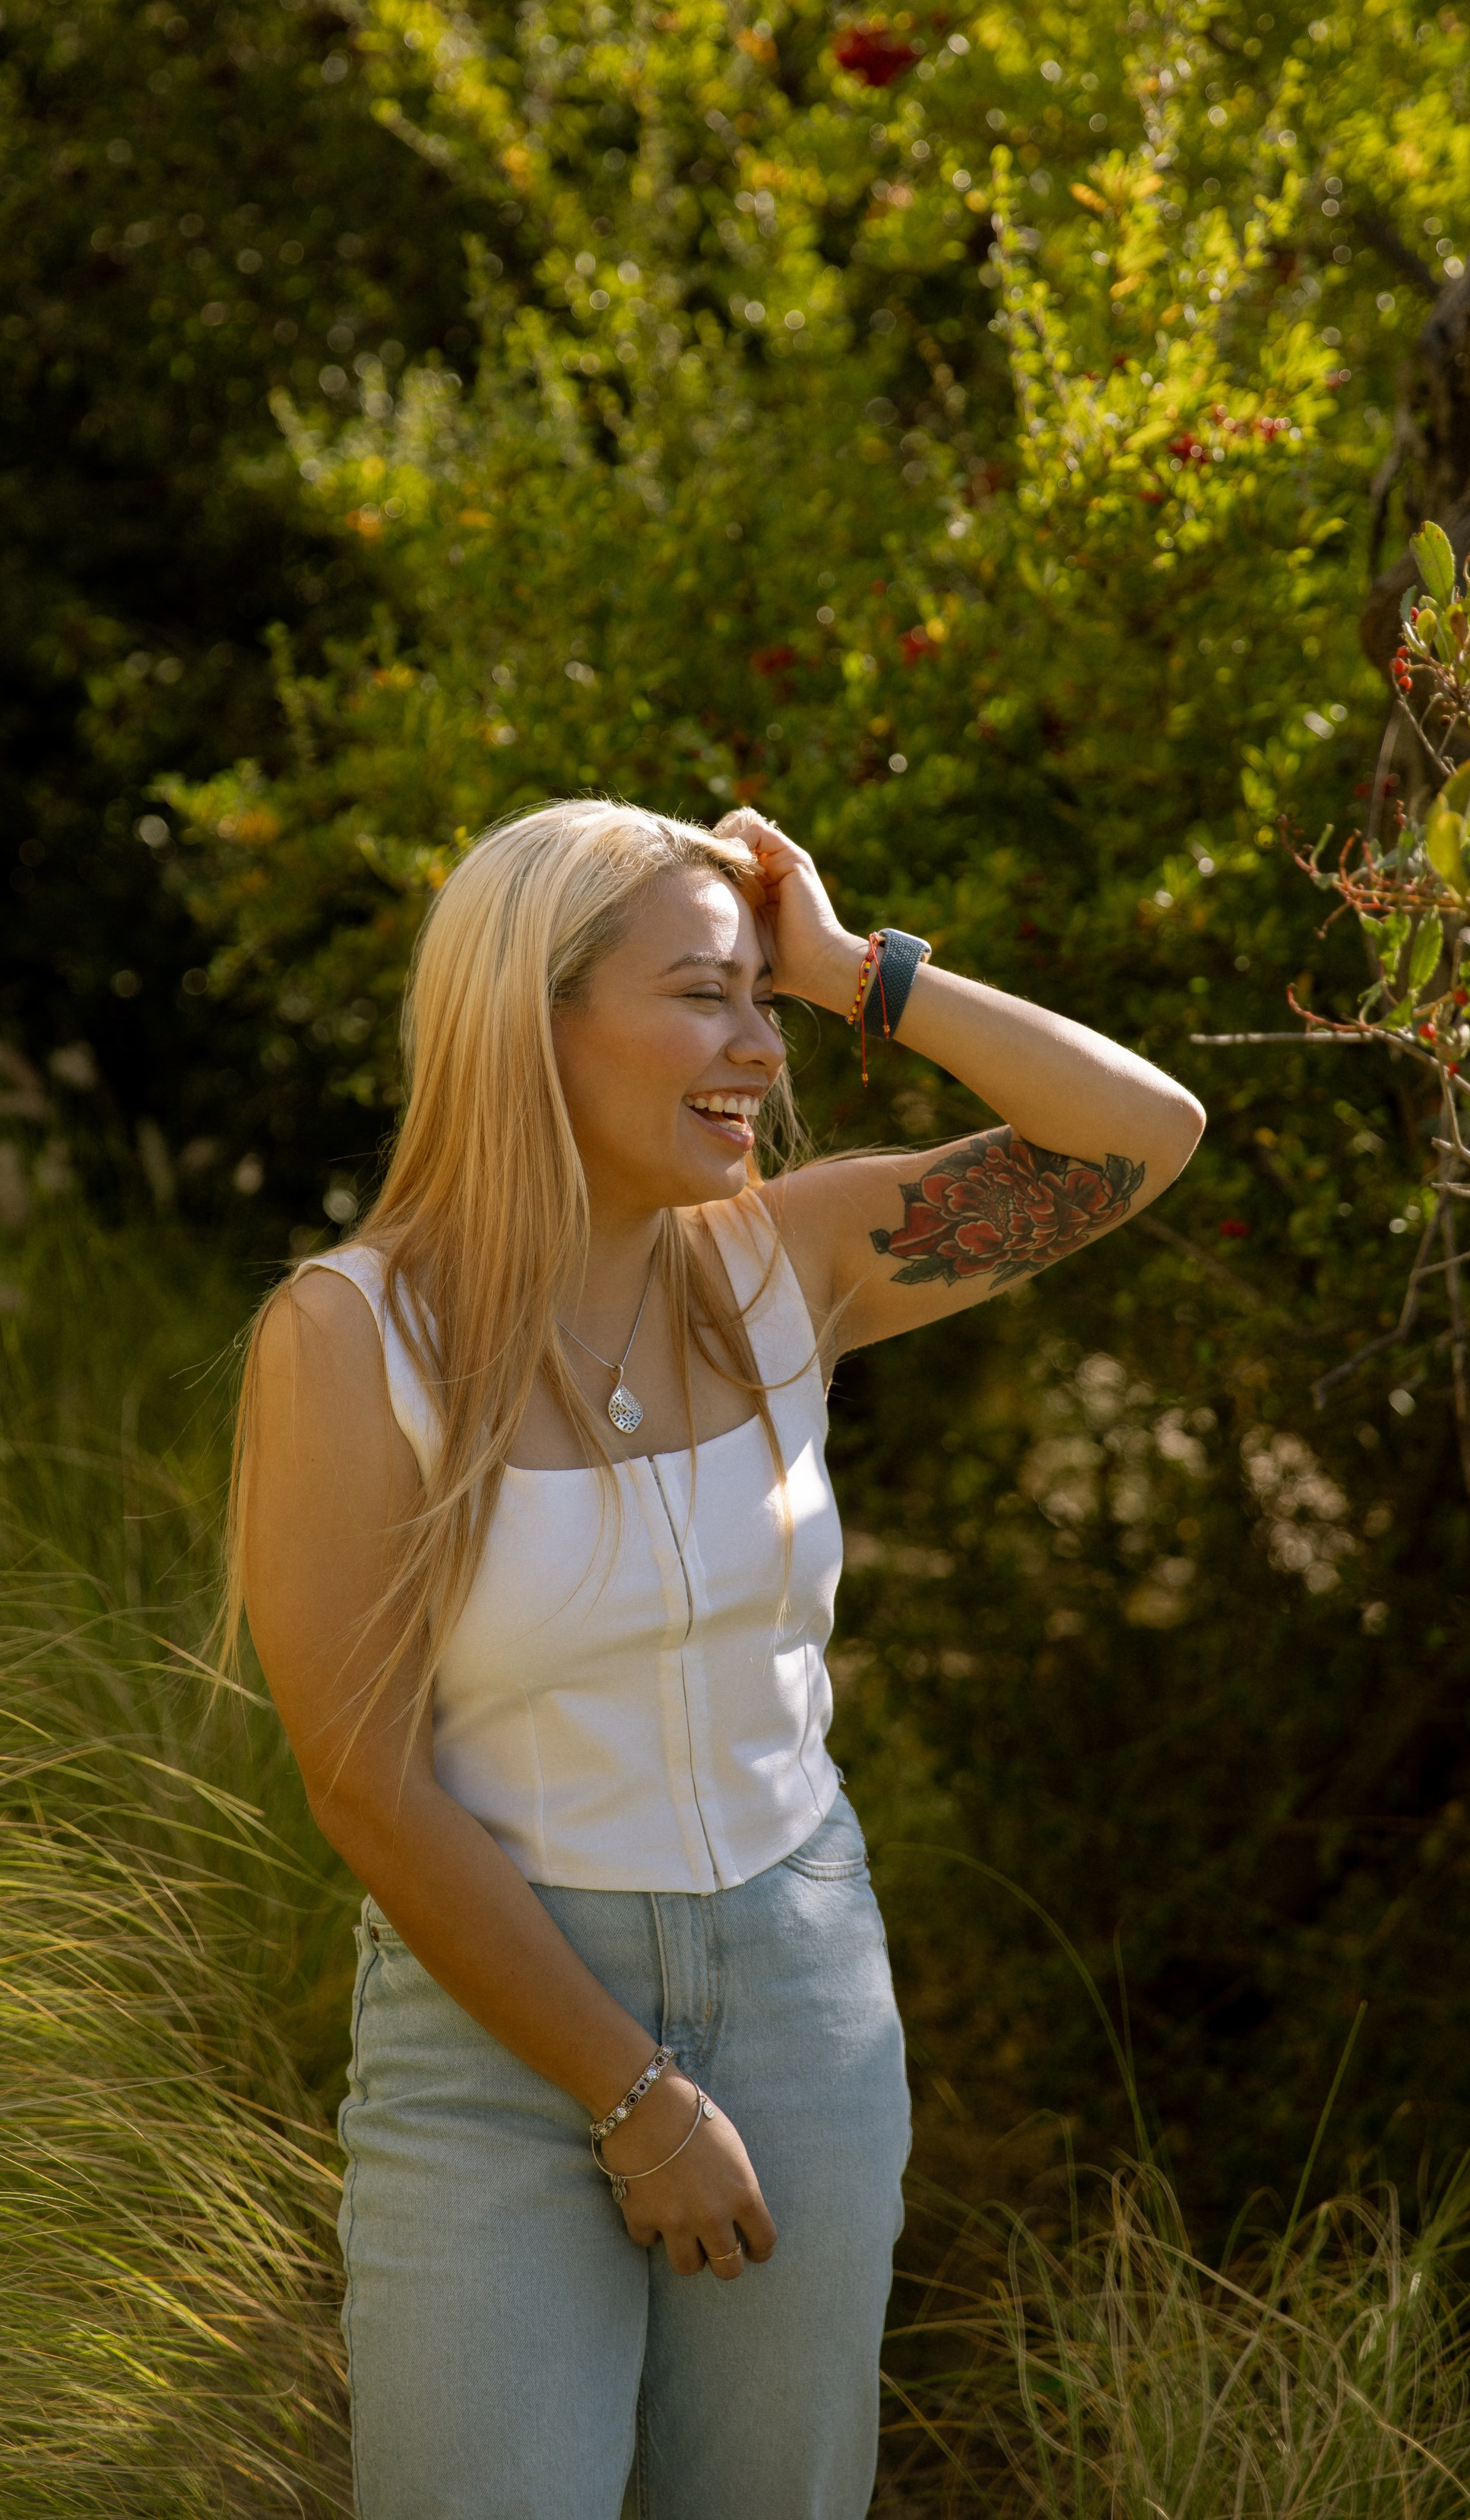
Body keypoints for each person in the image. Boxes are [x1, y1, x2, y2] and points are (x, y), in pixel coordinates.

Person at [233, 797, 1204, 2520]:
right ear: (531, 1021)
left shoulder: (791, 1260)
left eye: (764, 996)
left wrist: (858, 972)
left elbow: (1144, 1130)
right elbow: (362, 1779)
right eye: (707, 994)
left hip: (799, 1989)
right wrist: (629, 2091)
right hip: (499, 2041)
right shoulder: (347, 1336)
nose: (758, 1044)